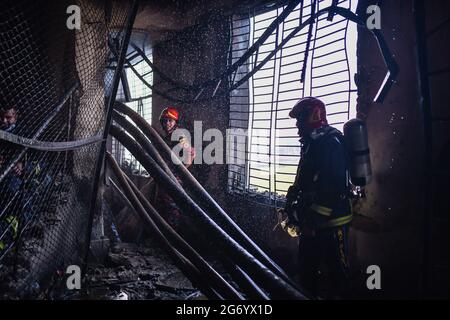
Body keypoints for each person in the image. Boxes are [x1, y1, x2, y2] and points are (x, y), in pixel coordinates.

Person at [280, 97, 353, 299]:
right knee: (307, 269)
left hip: (332, 223)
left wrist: (314, 220)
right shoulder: (313, 142)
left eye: (300, 118)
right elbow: (306, 177)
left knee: (337, 272)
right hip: (312, 223)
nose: (296, 124)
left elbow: (334, 186)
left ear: (313, 117)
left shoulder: (330, 142)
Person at [154, 106, 195, 229]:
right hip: (166, 175)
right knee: (164, 204)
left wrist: (180, 172)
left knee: (171, 206)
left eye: (170, 121)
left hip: (174, 177)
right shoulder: (169, 136)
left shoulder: (179, 135)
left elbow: (191, 153)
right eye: (165, 120)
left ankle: (172, 235)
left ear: (175, 122)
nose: (167, 123)